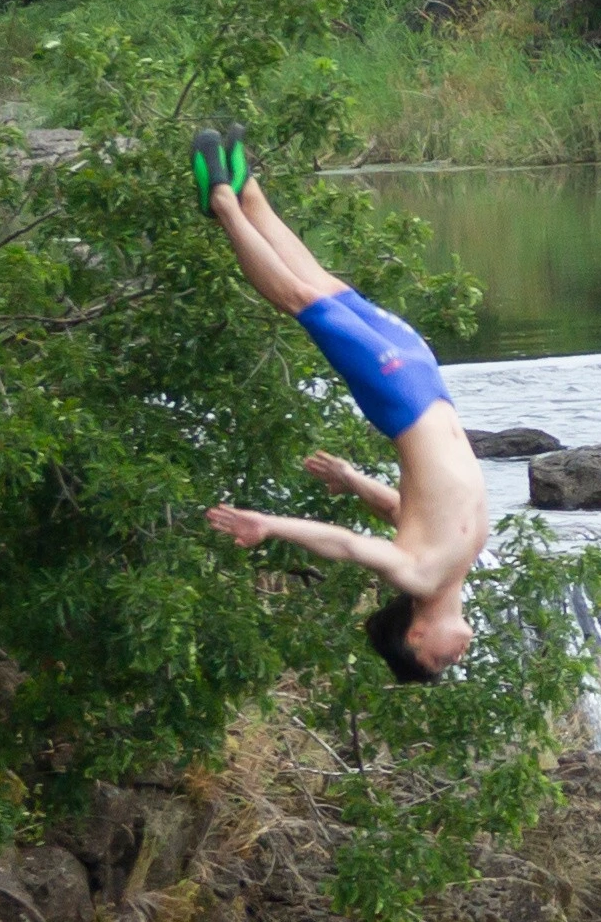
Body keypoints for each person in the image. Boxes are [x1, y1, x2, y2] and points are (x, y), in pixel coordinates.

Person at [193, 127, 485, 682]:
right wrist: (354, 481)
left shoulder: (418, 576)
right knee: (329, 289)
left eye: (437, 661)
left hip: (400, 397)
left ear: (415, 635)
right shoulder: (449, 568)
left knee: (302, 301)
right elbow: (404, 511)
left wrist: (270, 525)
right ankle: (248, 188)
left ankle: (223, 204)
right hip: (427, 383)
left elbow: (348, 546)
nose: (455, 659)